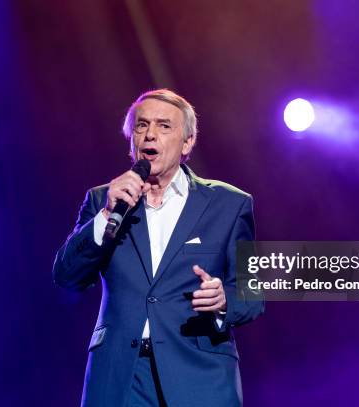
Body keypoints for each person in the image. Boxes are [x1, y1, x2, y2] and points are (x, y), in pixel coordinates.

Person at [53, 89, 264, 407]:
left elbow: (252, 295)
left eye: (164, 126)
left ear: (188, 141)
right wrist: (107, 216)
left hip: (198, 374)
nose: (150, 134)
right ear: (131, 140)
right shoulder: (103, 200)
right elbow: (67, 276)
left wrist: (223, 300)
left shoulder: (230, 204)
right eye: (141, 126)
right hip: (119, 375)